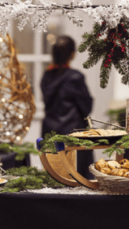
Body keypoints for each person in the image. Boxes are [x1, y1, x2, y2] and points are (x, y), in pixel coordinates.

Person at [40, 36, 94, 173]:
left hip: (49, 131)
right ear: (72, 54)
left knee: (54, 172)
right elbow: (86, 107)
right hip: (73, 133)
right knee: (76, 174)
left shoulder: (46, 77)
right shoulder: (76, 77)